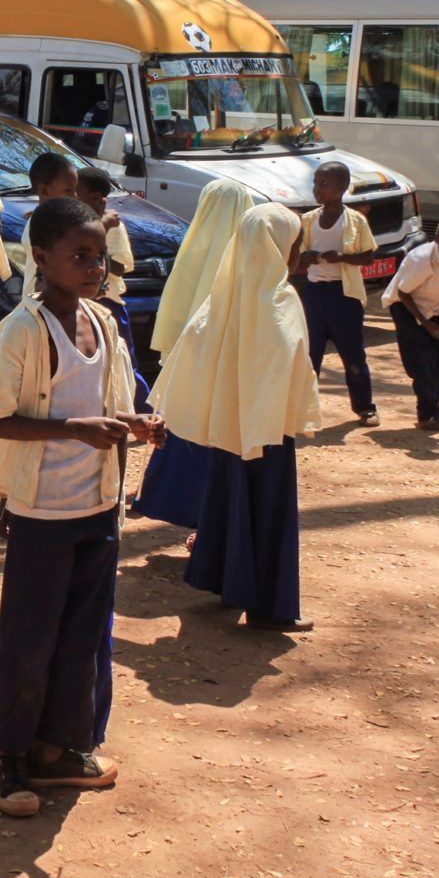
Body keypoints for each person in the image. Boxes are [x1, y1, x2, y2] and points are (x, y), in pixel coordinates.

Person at [0, 197, 162, 817]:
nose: (92, 267)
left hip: (99, 507)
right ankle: (10, 757)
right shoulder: (23, 331)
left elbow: (108, 400)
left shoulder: (104, 322)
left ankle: (60, 749)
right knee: (30, 639)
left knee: (84, 635)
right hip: (42, 512)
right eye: (79, 256)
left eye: (98, 256)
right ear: (44, 257)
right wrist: (73, 429)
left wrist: (133, 423)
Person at [153, 203, 321, 630]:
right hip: (267, 434)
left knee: (230, 503)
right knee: (268, 513)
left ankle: (223, 580)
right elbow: (293, 362)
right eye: (294, 246)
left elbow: (193, 357)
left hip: (229, 430)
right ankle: (269, 608)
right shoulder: (280, 299)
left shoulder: (221, 299)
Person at [131, 178, 254, 529]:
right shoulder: (250, 253)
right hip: (228, 365)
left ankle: (167, 500)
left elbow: (175, 308)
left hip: (190, 362)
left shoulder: (192, 247)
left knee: (182, 430)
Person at [294, 161, 379, 427]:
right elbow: (295, 258)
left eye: (324, 184)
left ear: (342, 188)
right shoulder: (308, 221)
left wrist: (342, 257)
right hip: (314, 294)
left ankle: (365, 407)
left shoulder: (355, 221)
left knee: (353, 354)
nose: (317, 189)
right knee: (310, 355)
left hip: (344, 296)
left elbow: (368, 256)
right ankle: (302, 410)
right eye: (316, 183)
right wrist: (305, 257)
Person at [381, 213, 439, 430]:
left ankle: (432, 412)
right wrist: (425, 323)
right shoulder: (422, 260)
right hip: (404, 306)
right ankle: (428, 416)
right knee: (421, 365)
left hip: (430, 305)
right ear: (437, 240)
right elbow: (403, 293)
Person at [72, 169, 143, 390]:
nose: (72, 196)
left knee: (122, 362)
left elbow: (120, 267)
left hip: (108, 301)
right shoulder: (75, 222)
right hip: (82, 301)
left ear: (95, 198)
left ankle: (145, 414)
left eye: (77, 191)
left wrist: (98, 247)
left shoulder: (112, 225)